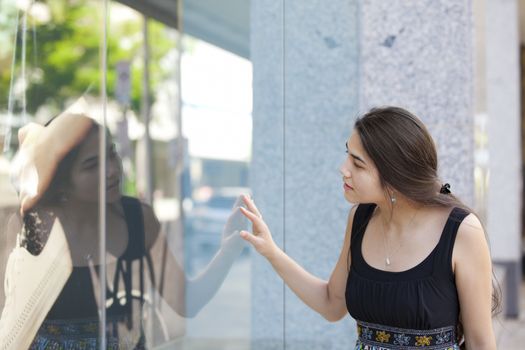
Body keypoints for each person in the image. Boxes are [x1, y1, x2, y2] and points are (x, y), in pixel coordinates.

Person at [238, 106, 499, 350]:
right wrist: (271, 251)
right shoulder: (360, 219)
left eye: (357, 163)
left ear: (395, 175)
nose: (344, 169)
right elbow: (332, 303)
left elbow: (480, 342)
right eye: (347, 155)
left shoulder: (462, 231)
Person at [0, 102, 247, 349]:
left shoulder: (138, 218)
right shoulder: (34, 226)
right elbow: (12, 315)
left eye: (111, 153)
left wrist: (228, 251)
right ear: (62, 183)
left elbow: (186, 303)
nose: (111, 169)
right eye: (91, 165)